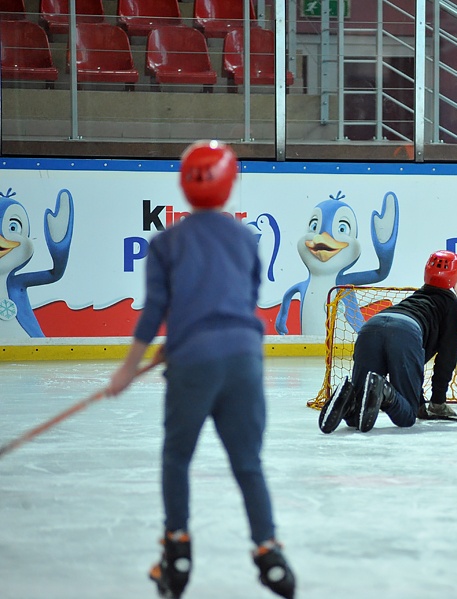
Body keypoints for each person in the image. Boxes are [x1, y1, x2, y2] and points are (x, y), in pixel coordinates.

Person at [105, 141, 296, 599]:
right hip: (245, 360)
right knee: (248, 464)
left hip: (193, 362)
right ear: (230, 185)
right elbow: (241, 303)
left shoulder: (165, 242)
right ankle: (269, 553)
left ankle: (177, 550)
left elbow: (154, 313)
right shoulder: (247, 239)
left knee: (177, 458)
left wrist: (128, 370)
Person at [318, 250, 457, 434]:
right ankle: (385, 391)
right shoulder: (452, 306)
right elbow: (447, 357)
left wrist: (419, 398)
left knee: (358, 413)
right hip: (405, 332)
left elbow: (416, 367)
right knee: (407, 416)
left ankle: (347, 396)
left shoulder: (416, 297)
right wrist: (437, 402)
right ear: (455, 280)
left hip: (371, 327)